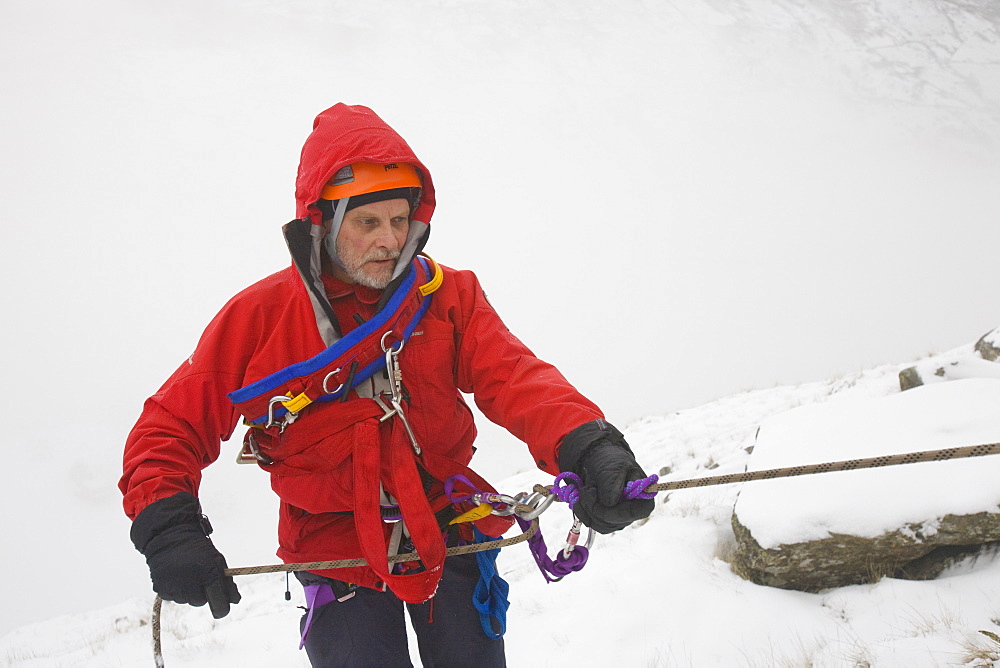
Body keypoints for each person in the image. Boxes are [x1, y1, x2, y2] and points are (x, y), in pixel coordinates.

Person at [120, 103, 655, 667]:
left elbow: (515, 377)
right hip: (333, 547)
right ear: (323, 223)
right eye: (368, 222)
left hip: (449, 521)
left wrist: (589, 444)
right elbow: (170, 424)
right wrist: (169, 526)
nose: (389, 240)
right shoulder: (260, 317)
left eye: (399, 221)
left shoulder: (447, 296)